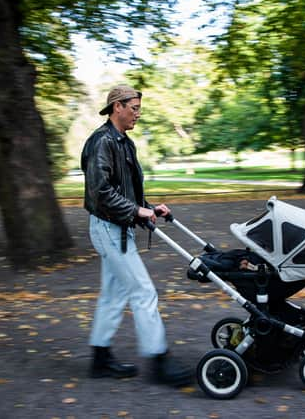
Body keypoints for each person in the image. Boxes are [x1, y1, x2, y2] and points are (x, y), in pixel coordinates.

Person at [81, 84, 192, 386]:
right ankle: (159, 362)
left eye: (139, 108)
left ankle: (100, 359)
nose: (138, 114)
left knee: (114, 296)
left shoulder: (124, 143)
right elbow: (100, 192)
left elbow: (124, 191)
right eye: (134, 108)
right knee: (144, 292)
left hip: (119, 226)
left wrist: (149, 208)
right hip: (108, 229)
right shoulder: (102, 142)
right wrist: (136, 212)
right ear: (117, 106)